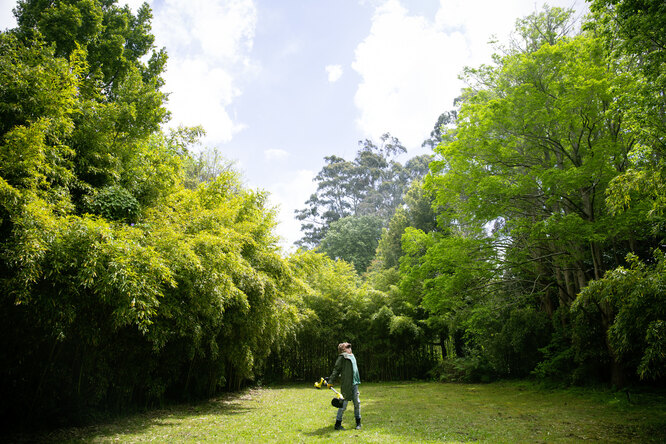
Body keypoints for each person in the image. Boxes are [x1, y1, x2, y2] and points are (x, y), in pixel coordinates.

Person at [326, 342, 361, 430]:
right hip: (346, 385)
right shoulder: (342, 357)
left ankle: (358, 423)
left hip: (355, 383)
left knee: (357, 403)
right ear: (343, 350)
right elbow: (336, 370)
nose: (350, 348)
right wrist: (330, 381)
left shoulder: (352, 356)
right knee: (343, 405)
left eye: (350, 346)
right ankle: (337, 424)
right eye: (347, 347)